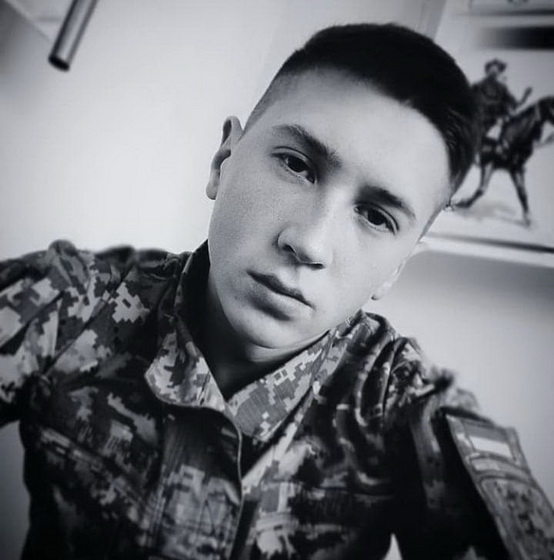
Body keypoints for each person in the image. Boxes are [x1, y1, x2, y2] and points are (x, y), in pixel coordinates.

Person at [0, 23, 552, 560]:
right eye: (296, 165)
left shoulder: (403, 405)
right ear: (223, 161)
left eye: (375, 216)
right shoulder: (73, 301)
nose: (309, 243)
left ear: (396, 269)